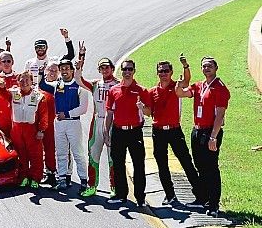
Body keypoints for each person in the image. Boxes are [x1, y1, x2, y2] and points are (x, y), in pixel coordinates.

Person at [141, 57, 203, 206]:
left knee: (186, 162)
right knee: (162, 165)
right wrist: (141, 107)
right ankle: (170, 195)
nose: (163, 74)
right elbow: (149, 112)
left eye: (166, 71)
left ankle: (201, 195)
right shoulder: (152, 92)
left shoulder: (176, 86)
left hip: (175, 131)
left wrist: (186, 66)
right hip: (158, 132)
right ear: (157, 73)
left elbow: (187, 81)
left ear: (171, 72)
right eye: (161, 71)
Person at [176, 56, 230, 217]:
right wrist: (179, 84)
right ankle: (203, 199)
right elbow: (181, 94)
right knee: (200, 166)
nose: (206, 69)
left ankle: (213, 204)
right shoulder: (199, 85)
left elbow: (220, 115)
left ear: (216, 68)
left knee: (211, 168)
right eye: (204, 66)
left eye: (209, 66)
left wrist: (213, 137)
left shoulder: (220, 88)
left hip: (210, 132)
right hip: (197, 130)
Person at [104, 59, 151, 207]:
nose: (127, 72)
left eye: (130, 69)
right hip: (118, 131)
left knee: (139, 164)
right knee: (118, 164)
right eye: (124, 69)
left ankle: (140, 197)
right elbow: (109, 113)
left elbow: (149, 112)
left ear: (134, 71)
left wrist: (141, 107)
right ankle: (121, 194)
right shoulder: (114, 90)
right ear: (122, 71)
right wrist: (106, 132)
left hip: (135, 132)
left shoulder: (142, 90)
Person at [75, 46, 118, 198]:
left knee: (114, 157)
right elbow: (78, 80)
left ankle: (114, 186)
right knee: (93, 155)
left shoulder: (119, 84)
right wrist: (81, 61)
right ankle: (92, 186)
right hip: (97, 121)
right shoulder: (95, 84)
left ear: (112, 68)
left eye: (107, 67)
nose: (105, 70)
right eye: (102, 68)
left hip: (113, 123)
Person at [39, 58, 88, 191]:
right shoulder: (57, 84)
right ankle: (62, 179)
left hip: (73, 123)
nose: (65, 71)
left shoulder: (79, 86)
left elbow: (83, 108)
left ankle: (84, 180)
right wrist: (41, 72)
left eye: (67, 68)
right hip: (59, 123)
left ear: (72, 70)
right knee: (61, 153)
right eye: (63, 69)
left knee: (77, 153)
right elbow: (43, 85)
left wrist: (67, 114)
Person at [0, 71, 50, 188]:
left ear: (32, 82)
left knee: (35, 155)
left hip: (32, 129)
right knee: (21, 155)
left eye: (27, 80)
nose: (24, 82)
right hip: (17, 128)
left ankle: (35, 178)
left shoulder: (38, 97)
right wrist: (2, 87)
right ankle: (24, 177)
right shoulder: (13, 93)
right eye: (22, 80)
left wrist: (41, 130)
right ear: (18, 82)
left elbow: (44, 115)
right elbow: (3, 94)